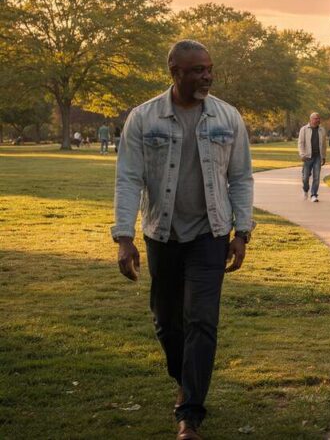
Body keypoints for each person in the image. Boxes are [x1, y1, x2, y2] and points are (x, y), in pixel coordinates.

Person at [112, 39, 254, 440]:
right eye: (197, 70)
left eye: (209, 68)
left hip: (211, 232)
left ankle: (189, 413)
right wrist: (124, 237)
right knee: (166, 321)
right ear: (175, 72)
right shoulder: (144, 118)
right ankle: (184, 376)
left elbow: (240, 178)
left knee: (202, 320)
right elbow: (128, 179)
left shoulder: (227, 117)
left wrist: (242, 232)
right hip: (162, 233)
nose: (206, 75)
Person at [298, 113, 328, 202]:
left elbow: (324, 145)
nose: (318, 120)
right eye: (316, 118)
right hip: (307, 157)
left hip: (317, 157)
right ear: (311, 119)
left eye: (319, 118)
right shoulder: (304, 129)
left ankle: (314, 194)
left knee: (316, 177)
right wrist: (302, 154)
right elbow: (301, 143)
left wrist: (323, 156)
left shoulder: (322, 130)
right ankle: (305, 189)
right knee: (305, 177)